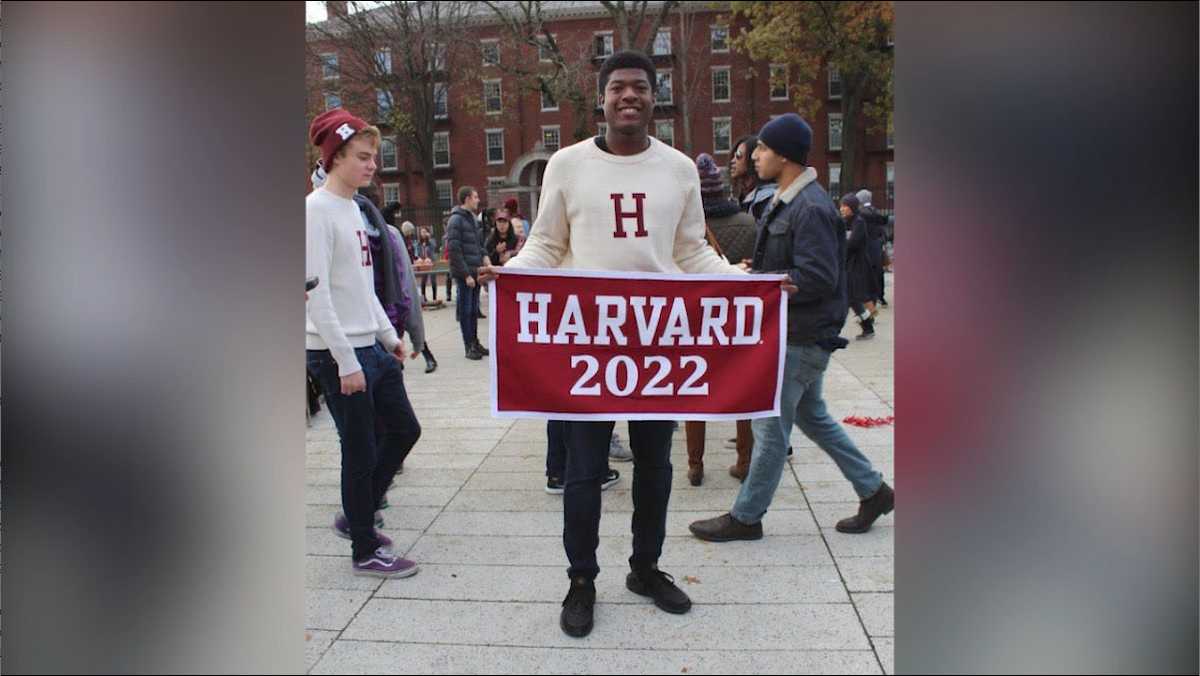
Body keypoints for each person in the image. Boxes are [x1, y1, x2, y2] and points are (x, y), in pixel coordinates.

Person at [477, 51, 791, 639]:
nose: (629, 95)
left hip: (657, 343)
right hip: (590, 342)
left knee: (654, 466)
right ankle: (581, 579)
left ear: (653, 97)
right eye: (618, 87)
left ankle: (645, 568)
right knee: (584, 471)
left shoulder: (677, 168)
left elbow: (691, 251)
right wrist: (511, 273)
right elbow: (547, 243)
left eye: (640, 87)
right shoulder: (567, 165)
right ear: (601, 99)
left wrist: (751, 286)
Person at [688, 113, 894, 545]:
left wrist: (764, 281)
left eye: (762, 149)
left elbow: (818, 276)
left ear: (783, 155)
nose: (754, 155)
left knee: (769, 429)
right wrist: (759, 270)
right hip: (798, 331)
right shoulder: (792, 199)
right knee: (813, 417)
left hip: (802, 337)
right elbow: (798, 266)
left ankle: (746, 517)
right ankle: (873, 490)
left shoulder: (810, 207)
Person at [305, 108, 421, 578]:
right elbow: (316, 295)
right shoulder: (315, 211)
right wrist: (345, 361)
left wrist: (389, 337)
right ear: (335, 157)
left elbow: (362, 284)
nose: (373, 164)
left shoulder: (353, 208)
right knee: (359, 451)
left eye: (373, 156)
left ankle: (357, 514)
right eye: (362, 156)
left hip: (369, 346)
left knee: (404, 430)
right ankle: (364, 549)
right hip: (336, 353)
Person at [682, 153, 758, 486]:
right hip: (736, 319)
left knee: (693, 389)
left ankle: (695, 464)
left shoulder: (685, 230)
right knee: (742, 388)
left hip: (694, 318)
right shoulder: (748, 223)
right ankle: (744, 459)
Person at [445, 186, 489, 360]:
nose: (478, 200)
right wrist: (466, 275)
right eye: (475, 197)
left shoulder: (472, 219)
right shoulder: (456, 220)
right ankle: (468, 346)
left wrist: (485, 260)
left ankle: (475, 342)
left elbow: (478, 245)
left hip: (475, 272)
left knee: (473, 311)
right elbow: (454, 250)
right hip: (466, 275)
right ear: (467, 199)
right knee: (466, 311)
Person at [842, 192, 880, 340]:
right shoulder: (846, 222)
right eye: (841, 206)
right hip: (848, 264)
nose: (842, 209)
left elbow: (852, 244)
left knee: (850, 296)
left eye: (845, 206)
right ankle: (868, 326)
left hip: (857, 265)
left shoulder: (859, 222)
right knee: (853, 298)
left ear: (852, 207)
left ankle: (832, 330)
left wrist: (839, 247)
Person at [730, 134, 777, 223]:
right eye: (733, 156)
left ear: (753, 158)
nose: (732, 161)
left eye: (738, 155)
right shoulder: (741, 197)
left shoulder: (765, 200)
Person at [856, 189, 889, 308]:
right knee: (878, 272)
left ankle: (867, 299)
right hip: (876, 245)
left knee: (863, 273)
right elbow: (882, 227)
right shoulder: (876, 212)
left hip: (864, 246)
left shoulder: (859, 214)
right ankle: (880, 296)